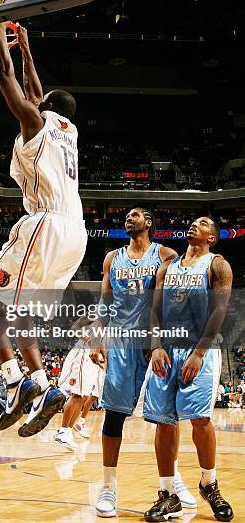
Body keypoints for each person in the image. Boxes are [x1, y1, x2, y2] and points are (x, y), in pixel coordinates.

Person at [0, 23, 87, 438]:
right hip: (76, 233)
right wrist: (28, 48)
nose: (33, 97)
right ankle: (24, 384)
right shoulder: (68, 132)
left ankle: (29, 382)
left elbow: (7, 79)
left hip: (47, 224)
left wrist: (1, 33)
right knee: (10, 310)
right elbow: (35, 90)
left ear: (46, 106)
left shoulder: (36, 122)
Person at [91, 208, 196, 517]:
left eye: (137, 214)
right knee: (114, 416)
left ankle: (172, 482)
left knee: (167, 417)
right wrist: (97, 338)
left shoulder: (165, 254)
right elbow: (104, 301)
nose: (129, 217)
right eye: (127, 215)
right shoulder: (112, 258)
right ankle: (108, 487)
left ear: (149, 223)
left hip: (155, 344)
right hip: (121, 340)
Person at [143, 216, 234, 522]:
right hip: (166, 350)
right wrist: (155, 347)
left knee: (200, 419)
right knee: (163, 422)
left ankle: (209, 484)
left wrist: (199, 353)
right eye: (194, 222)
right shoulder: (168, 267)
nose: (195, 224)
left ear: (213, 237)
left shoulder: (217, 265)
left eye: (204, 222)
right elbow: (153, 310)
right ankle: (168, 495)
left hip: (199, 348)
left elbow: (219, 310)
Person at [55, 325, 104, 451]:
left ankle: (67, 431)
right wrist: (90, 341)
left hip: (95, 355)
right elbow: (75, 327)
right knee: (77, 394)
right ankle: (63, 431)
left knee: (84, 397)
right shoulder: (98, 310)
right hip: (84, 353)